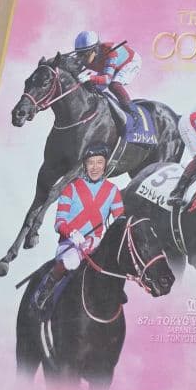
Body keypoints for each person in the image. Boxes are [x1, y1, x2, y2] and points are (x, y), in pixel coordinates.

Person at [33, 144, 124, 313]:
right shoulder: (71, 188)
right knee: (72, 261)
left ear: (105, 164)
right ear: (84, 165)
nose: (95, 167)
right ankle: (45, 291)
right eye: (91, 163)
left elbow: (121, 222)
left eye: (99, 162)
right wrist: (72, 234)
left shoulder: (113, 191)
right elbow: (59, 222)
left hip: (95, 244)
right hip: (70, 243)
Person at [73, 31, 140, 120]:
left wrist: (89, 77)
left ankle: (134, 113)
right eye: (79, 54)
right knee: (93, 89)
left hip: (129, 62)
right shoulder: (86, 57)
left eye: (85, 54)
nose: (81, 58)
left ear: (95, 51)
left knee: (114, 85)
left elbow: (107, 79)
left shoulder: (110, 52)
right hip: (110, 66)